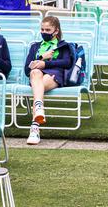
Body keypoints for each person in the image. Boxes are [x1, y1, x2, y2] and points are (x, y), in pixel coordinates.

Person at [23, 16, 73, 145]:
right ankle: (38, 113)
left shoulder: (63, 46)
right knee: (35, 72)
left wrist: (45, 64)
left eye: (47, 30)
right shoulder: (35, 47)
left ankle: (35, 128)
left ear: (56, 31)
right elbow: (27, 69)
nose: (44, 32)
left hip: (54, 76)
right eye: (42, 29)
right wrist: (41, 57)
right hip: (36, 77)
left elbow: (67, 63)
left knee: (38, 84)